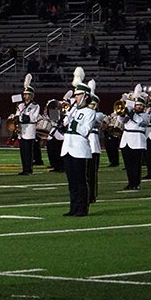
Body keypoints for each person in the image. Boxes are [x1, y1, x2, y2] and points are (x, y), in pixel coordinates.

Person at [60, 68, 96, 217]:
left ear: (85, 96)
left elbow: (85, 130)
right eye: (75, 95)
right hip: (68, 147)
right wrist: (65, 115)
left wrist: (74, 123)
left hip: (80, 149)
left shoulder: (90, 112)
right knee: (71, 181)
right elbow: (64, 124)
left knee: (81, 180)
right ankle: (73, 207)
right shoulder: (73, 110)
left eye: (78, 95)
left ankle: (83, 208)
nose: (75, 97)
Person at [119, 85, 151, 190]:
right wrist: (122, 114)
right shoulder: (130, 114)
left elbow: (140, 121)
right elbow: (121, 121)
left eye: (140, 105)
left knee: (136, 164)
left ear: (143, 107)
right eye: (137, 105)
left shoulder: (146, 116)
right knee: (128, 164)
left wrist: (131, 112)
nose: (139, 107)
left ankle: (136, 183)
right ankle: (130, 182)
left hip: (137, 141)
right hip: (126, 140)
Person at [15, 74, 41, 175]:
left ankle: (29, 169)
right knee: (22, 151)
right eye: (24, 94)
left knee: (28, 151)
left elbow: (34, 117)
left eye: (27, 94)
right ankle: (24, 168)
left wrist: (24, 116)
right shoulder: (21, 105)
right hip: (21, 130)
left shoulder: (35, 106)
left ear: (31, 95)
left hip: (29, 130)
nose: (24, 96)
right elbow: (17, 115)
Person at [87, 81, 104, 204]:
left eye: (93, 104)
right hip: (82, 146)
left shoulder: (99, 115)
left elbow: (92, 119)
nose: (90, 106)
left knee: (92, 174)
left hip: (93, 146)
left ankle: (92, 195)